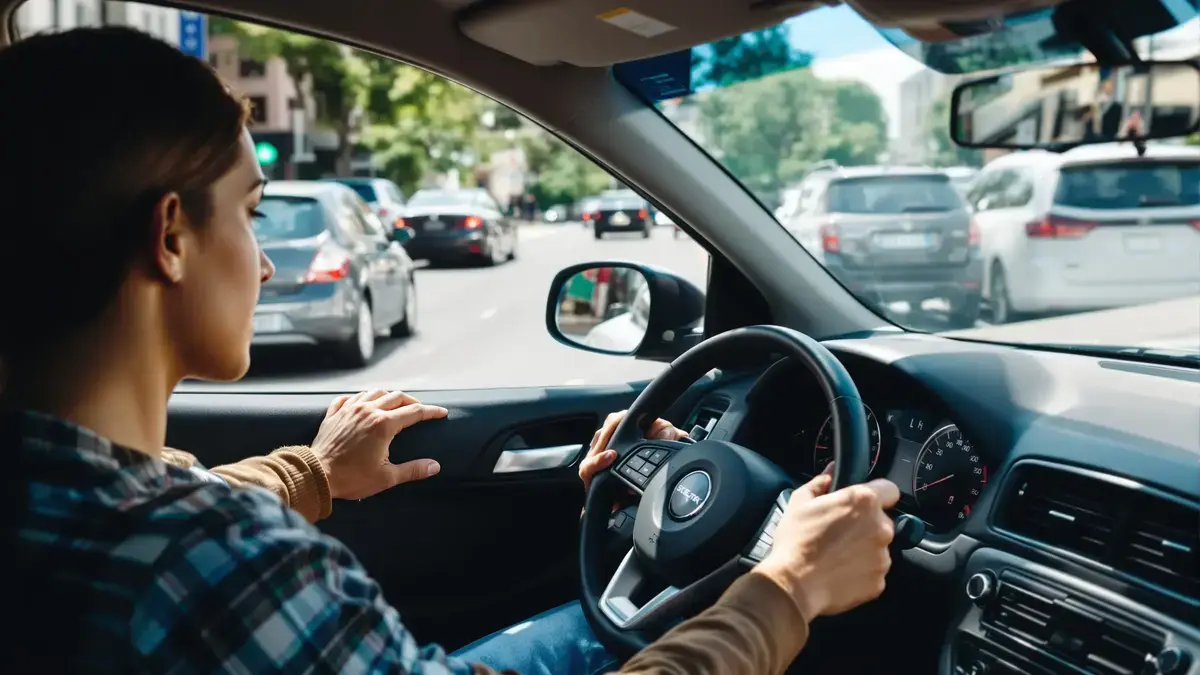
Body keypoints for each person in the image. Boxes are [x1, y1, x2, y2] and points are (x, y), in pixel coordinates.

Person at [0, 27, 900, 675]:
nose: (268, 261)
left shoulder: (70, 491)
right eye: (252, 210)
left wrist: (313, 470)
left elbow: (168, 487)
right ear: (171, 236)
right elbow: (188, 526)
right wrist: (787, 588)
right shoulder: (206, 562)